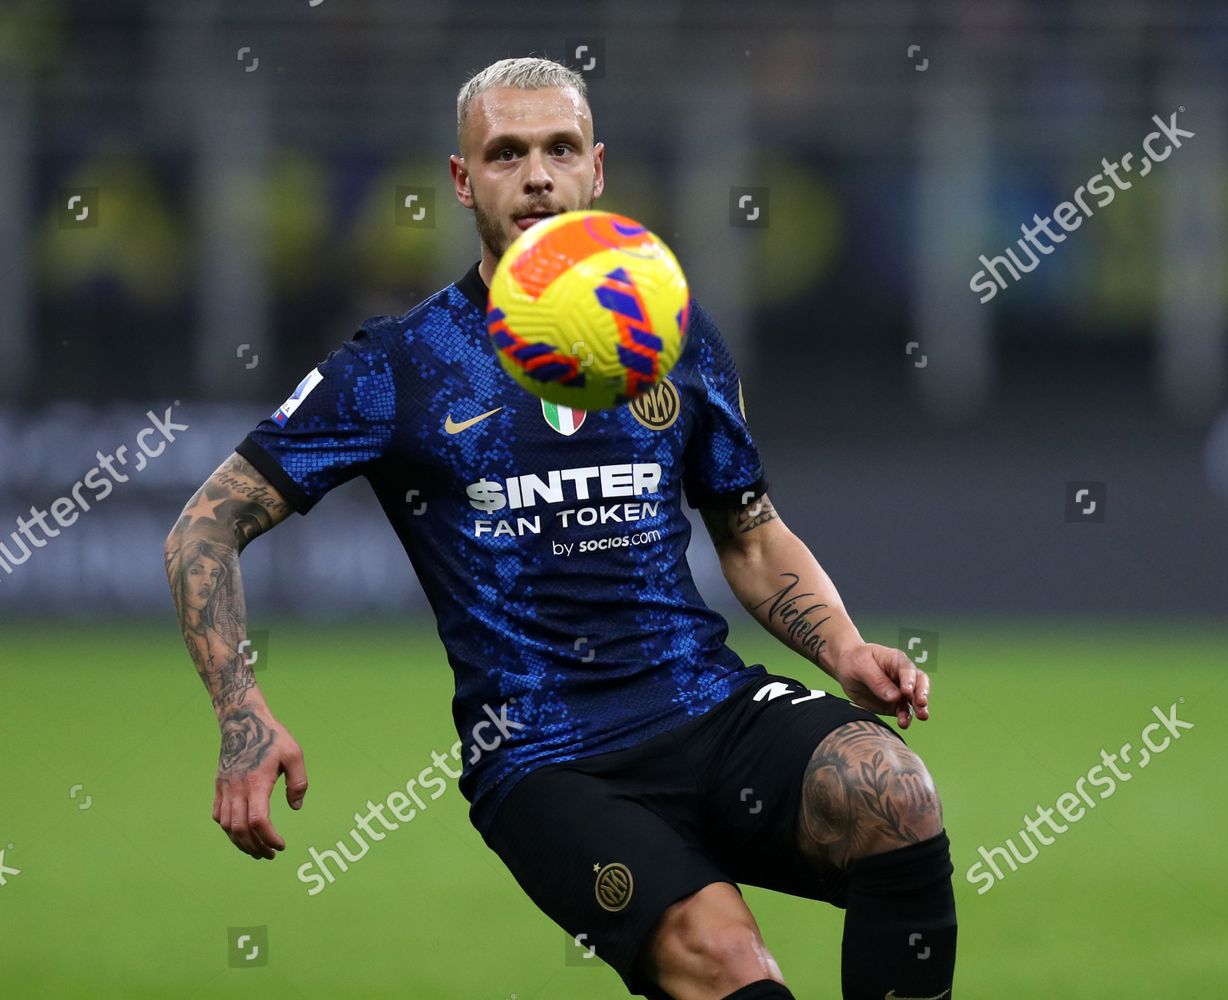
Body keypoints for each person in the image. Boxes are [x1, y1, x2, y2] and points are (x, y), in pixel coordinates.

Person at [165, 55, 957, 1000]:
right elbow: (201, 533)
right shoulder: (399, 366)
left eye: (559, 148)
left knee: (893, 793)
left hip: (704, 705)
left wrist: (843, 648)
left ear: (597, 169)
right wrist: (241, 710)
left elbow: (750, 534)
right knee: (727, 960)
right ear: (463, 182)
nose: (536, 174)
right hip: (548, 757)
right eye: (506, 153)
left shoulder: (670, 333)